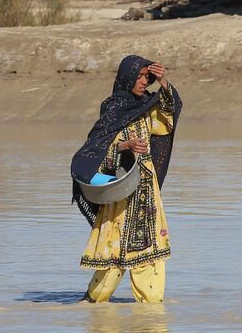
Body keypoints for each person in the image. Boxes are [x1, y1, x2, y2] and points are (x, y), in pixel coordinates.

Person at [71, 55, 183, 303]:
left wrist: (164, 82)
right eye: (139, 76)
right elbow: (96, 149)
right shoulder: (112, 108)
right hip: (121, 190)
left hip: (146, 189)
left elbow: (166, 123)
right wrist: (125, 146)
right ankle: (95, 306)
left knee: (150, 253)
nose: (144, 81)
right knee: (113, 253)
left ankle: (152, 315)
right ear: (127, 77)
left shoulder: (147, 105)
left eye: (147, 76)